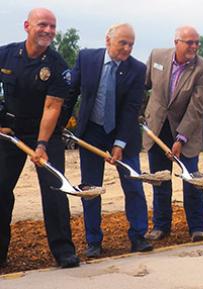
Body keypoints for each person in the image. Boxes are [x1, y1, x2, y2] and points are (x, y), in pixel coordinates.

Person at [0, 8, 79, 268]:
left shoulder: (57, 66)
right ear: (27, 26)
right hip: (8, 131)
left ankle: (64, 252)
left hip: (44, 133)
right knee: (0, 190)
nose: (48, 30)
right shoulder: (6, 54)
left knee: (55, 189)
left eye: (52, 26)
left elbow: (52, 107)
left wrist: (42, 144)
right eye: (42, 24)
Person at [65, 23, 152, 257]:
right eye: (122, 42)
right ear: (108, 40)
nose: (127, 48)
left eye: (131, 44)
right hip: (91, 132)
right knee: (91, 188)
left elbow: (131, 109)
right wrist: (61, 125)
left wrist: (120, 143)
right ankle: (93, 241)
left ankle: (138, 235)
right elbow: (71, 92)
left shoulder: (137, 69)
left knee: (133, 185)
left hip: (124, 134)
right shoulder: (86, 59)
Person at [143, 26, 203, 242]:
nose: (193, 47)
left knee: (191, 179)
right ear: (176, 42)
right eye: (189, 42)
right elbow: (142, 85)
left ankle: (197, 227)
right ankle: (161, 226)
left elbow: (197, 107)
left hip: (187, 131)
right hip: (157, 129)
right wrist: (138, 113)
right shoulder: (157, 56)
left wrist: (181, 138)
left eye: (196, 43)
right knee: (160, 180)